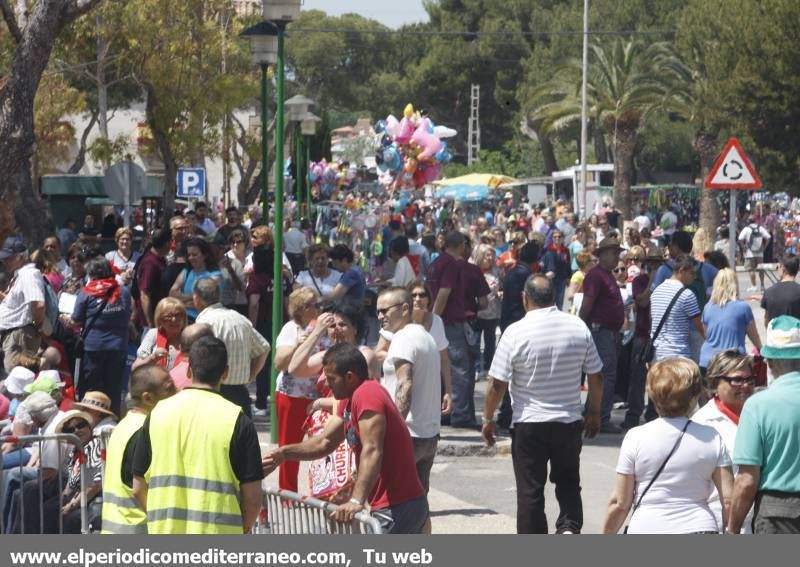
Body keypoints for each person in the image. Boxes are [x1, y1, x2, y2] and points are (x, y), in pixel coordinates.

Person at [262, 343, 428, 534]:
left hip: (399, 507)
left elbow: (372, 449)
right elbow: (324, 442)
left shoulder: (367, 393)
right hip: (395, 506)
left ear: (350, 377)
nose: (325, 382)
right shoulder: (348, 400)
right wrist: (283, 454)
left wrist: (356, 501)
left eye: (331, 378)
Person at [482, 275, 603, 534]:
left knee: (530, 491)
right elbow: (596, 375)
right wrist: (593, 412)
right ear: (553, 298)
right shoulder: (578, 327)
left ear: (525, 298)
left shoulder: (515, 332)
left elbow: (496, 384)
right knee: (569, 482)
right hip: (568, 421)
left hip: (529, 425)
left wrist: (488, 417)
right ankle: (569, 529)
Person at [132, 336, 263, 534]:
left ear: (189, 370)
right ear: (225, 373)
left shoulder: (157, 413)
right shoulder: (238, 420)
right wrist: (243, 527)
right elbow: (253, 499)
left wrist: (158, 519)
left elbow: (137, 487)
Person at [602, 357, 733, 534]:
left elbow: (620, 502)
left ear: (652, 393)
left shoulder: (636, 437)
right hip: (699, 527)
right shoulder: (711, 437)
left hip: (647, 527)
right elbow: (728, 499)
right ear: (694, 396)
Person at [729, 316, 800, 534]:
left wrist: (733, 528)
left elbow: (746, 480)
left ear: (768, 361)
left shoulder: (757, 406)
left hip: (778, 514)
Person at [375, 287, 442, 513]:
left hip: (409, 435)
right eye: (377, 312)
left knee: (394, 506)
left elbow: (405, 383)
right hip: (428, 435)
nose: (380, 316)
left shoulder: (403, 338)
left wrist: (394, 430)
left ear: (405, 309)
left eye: (385, 310)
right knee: (419, 506)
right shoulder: (425, 336)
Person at [101, 364, 176, 534]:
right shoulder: (147, 431)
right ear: (148, 398)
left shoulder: (124, 425)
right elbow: (139, 489)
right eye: (169, 388)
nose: (177, 392)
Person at [692, 350, 756, 532]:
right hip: (719, 522)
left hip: (756, 522)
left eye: (749, 379)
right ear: (714, 384)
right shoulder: (702, 424)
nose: (745, 386)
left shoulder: (760, 413)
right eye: (736, 380)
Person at [192, 278, 269, 417]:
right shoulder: (240, 319)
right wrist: (250, 376)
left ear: (196, 299)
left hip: (214, 396)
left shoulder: (203, 323)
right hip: (240, 393)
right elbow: (264, 347)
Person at [271, 288, 323, 491]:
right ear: (301, 309)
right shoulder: (291, 329)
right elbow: (278, 364)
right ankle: (288, 494)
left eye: (319, 304)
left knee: (320, 446)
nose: (319, 308)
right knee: (290, 447)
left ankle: (322, 491)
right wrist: (296, 345)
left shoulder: (323, 326)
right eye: (314, 304)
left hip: (317, 397)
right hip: (292, 397)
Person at [69, 257, 131, 414]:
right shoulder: (123, 292)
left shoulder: (86, 293)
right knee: (113, 387)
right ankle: (113, 419)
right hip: (118, 348)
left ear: (91, 274)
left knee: (91, 388)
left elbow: (76, 321)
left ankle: (90, 419)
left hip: (93, 349)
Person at [579, 237, 625, 434]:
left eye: (617, 252)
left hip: (609, 332)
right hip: (600, 331)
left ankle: (592, 413)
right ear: (603, 254)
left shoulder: (606, 275)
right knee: (605, 375)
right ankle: (602, 418)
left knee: (602, 374)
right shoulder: (596, 275)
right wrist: (581, 328)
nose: (617, 256)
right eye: (614, 252)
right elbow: (587, 304)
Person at [428, 232, 474, 428]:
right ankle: (459, 415)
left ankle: (446, 412)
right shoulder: (451, 264)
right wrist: (434, 320)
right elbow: (443, 293)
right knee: (459, 370)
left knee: (443, 369)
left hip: (440, 322)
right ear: (462, 245)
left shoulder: (436, 263)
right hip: (448, 323)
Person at [699, 268, 761, 372]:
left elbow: (706, 335)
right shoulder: (743, 307)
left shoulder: (707, 307)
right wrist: (762, 351)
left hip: (707, 361)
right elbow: (754, 336)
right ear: (735, 284)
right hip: (732, 362)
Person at [0, 236, 46, 371]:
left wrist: (36, 327)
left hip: (19, 336)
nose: (4, 261)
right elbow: (18, 305)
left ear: (21, 257)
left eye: (8, 258)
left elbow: (39, 304)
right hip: (13, 335)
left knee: (17, 379)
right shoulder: (21, 275)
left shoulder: (29, 275)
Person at [649, 255, 704, 363]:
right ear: (681, 271)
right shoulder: (687, 295)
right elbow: (700, 327)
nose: (695, 276)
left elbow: (652, 321)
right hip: (679, 357)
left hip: (657, 356)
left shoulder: (656, 291)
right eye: (692, 273)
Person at [169, 237, 222, 322]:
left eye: (194, 255)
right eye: (189, 255)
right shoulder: (186, 272)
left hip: (206, 320)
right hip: (187, 319)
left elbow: (208, 303)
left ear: (204, 255)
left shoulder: (215, 276)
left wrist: (182, 301)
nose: (190, 258)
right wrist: (195, 297)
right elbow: (172, 293)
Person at [132, 297, 187, 372]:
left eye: (178, 315)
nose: (174, 319)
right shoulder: (153, 334)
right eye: (168, 316)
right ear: (160, 320)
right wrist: (153, 358)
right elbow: (135, 368)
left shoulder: (190, 336)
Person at [133, 227, 172, 330]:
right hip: (149, 324)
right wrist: (150, 324)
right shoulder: (149, 263)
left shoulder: (161, 259)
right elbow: (144, 295)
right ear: (167, 243)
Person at [475, 245, 502, 378]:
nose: (490, 258)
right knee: (474, 341)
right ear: (480, 256)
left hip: (492, 312)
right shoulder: (474, 270)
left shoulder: (497, 271)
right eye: (487, 255)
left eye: (492, 255)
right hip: (477, 312)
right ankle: (475, 367)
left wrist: (501, 293)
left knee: (490, 342)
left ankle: (487, 367)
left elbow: (502, 286)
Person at [760, 254, 800, 327]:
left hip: (775, 335)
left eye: (779, 267)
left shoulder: (769, 292)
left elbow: (767, 320)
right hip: (796, 335)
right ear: (797, 270)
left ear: (783, 269)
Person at [539, 229, 571, 310]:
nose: (557, 238)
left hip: (561, 279)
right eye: (555, 237)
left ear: (563, 238)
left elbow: (568, 264)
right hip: (551, 279)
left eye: (559, 237)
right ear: (552, 238)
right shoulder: (547, 249)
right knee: (551, 301)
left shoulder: (566, 250)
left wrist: (568, 277)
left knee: (560, 301)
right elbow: (543, 263)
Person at [738, 217, 771, 292]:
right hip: (760, 253)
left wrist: (743, 247)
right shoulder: (761, 228)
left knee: (750, 269)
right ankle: (762, 286)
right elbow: (768, 237)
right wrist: (764, 247)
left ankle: (754, 286)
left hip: (749, 253)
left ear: (748, 221)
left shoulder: (746, 229)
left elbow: (740, 238)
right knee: (761, 270)